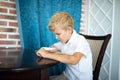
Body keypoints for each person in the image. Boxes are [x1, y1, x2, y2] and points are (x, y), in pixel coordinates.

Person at [36, 12, 93, 80]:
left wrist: (46, 54)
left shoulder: (81, 40)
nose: (56, 37)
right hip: (67, 76)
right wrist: (50, 49)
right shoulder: (64, 41)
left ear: (69, 30)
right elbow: (53, 46)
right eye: (55, 34)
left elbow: (73, 60)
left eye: (58, 34)